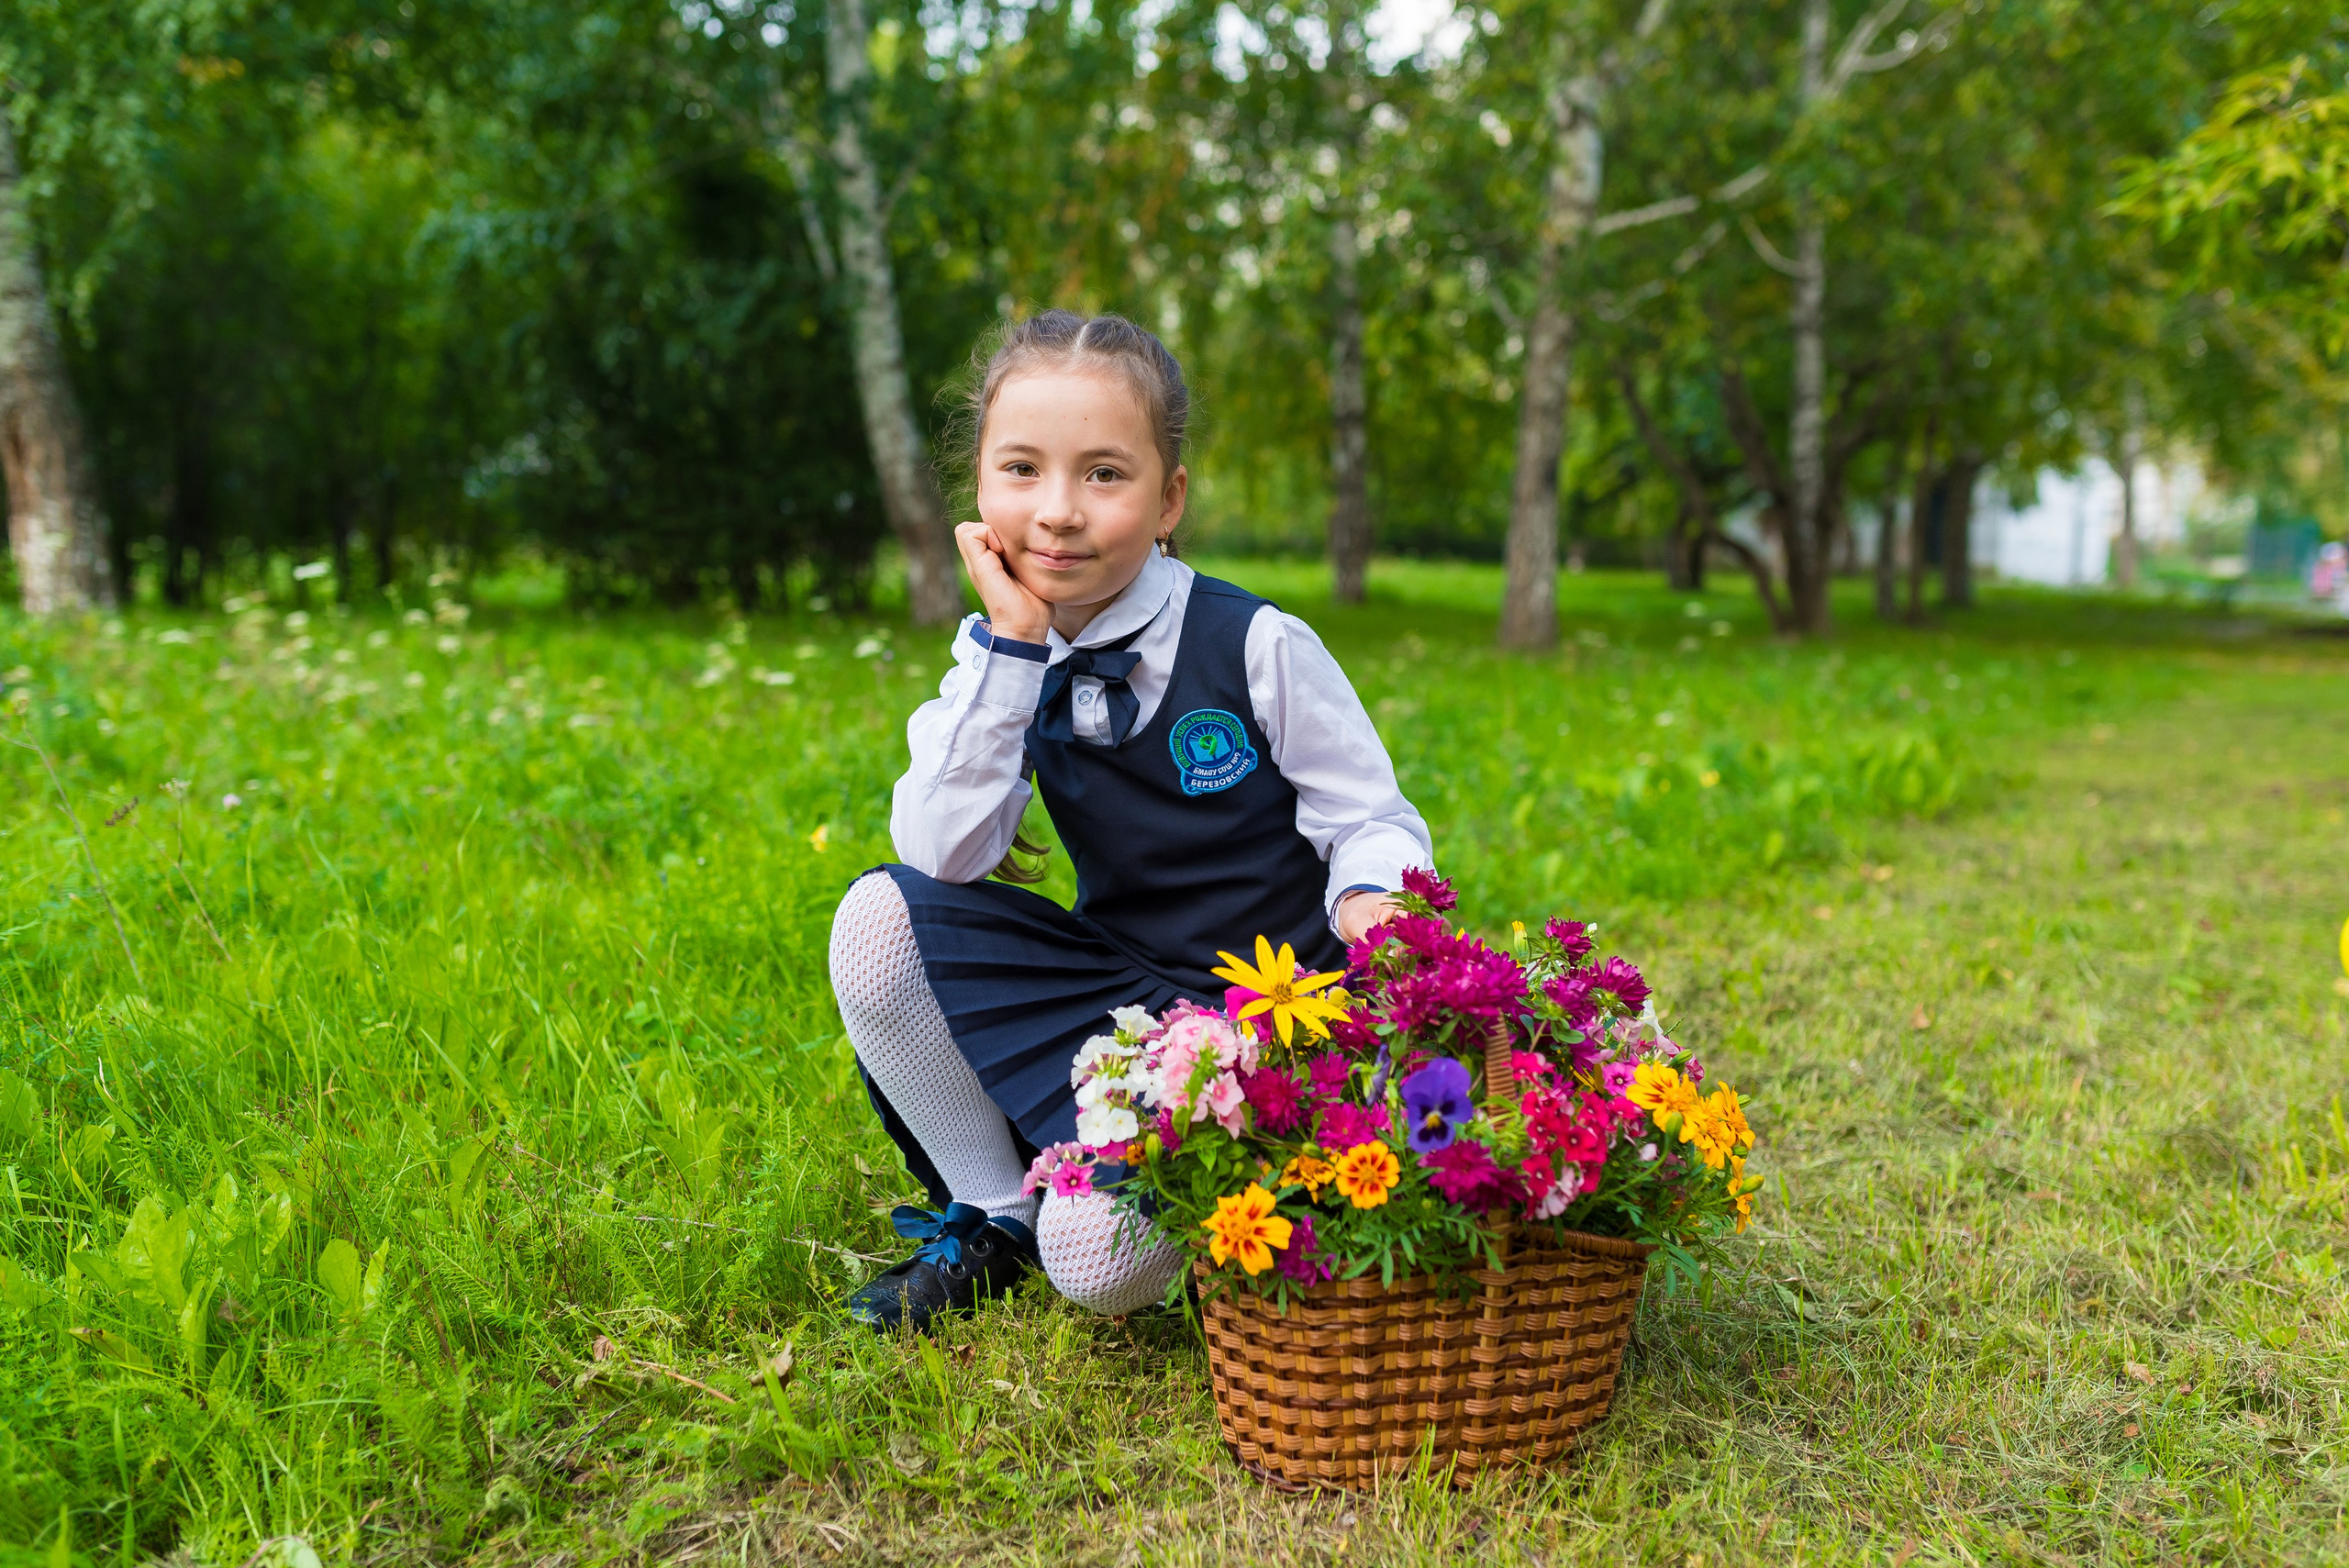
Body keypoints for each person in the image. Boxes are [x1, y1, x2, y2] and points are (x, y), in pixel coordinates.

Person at [829, 310, 1433, 1332]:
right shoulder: (999, 655)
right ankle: (993, 1209)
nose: (1057, 511)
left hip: (1276, 1016)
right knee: (879, 918)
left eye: (1103, 474)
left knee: (1099, 1265)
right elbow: (942, 851)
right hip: (1124, 996)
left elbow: (1368, 811)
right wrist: (1016, 651)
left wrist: (1374, 893)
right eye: (1021, 469)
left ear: (1168, 499)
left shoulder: (1253, 641)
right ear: (977, 489)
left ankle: (1229, 1168)